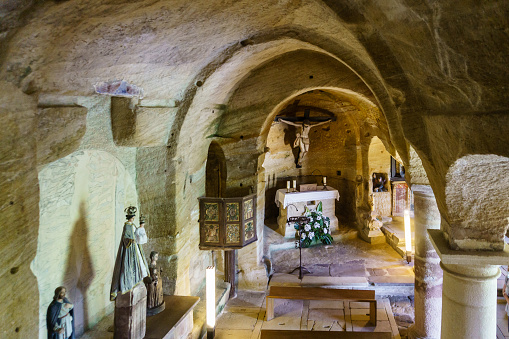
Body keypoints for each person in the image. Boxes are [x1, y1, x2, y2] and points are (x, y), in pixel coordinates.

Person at [110, 207, 149, 301]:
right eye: (133, 216)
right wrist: (130, 240)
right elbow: (125, 237)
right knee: (128, 266)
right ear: (130, 217)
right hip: (130, 249)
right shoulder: (127, 225)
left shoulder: (132, 225)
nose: (133, 218)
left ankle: (136, 280)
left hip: (135, 248)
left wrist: (141, 227)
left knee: (138, 263)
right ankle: (128, 283)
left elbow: (135, 233)